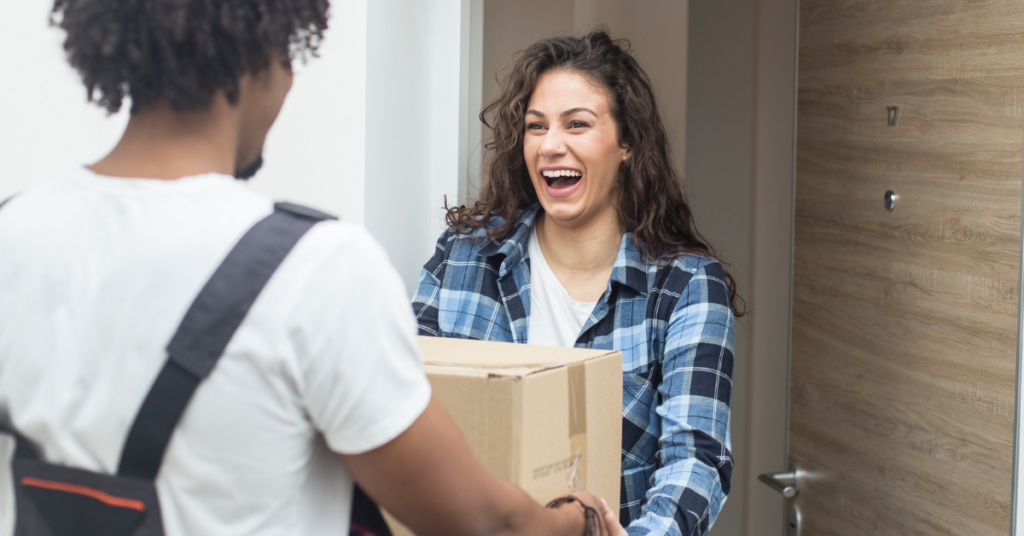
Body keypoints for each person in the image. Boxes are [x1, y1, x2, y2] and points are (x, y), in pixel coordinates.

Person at [0, 2, 619, 536]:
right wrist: (578, 519)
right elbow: (481, 523)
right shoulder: (315, 268)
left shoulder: (14, 232)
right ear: (263, 55)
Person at [413, 30, 740, 536]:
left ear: (627, 143)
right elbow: (409, 405)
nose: (551, 145)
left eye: (578, 124)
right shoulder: (462, 256)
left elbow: (695, 459)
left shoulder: (685, 287)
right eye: (536, 127)